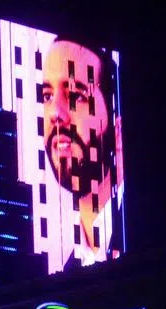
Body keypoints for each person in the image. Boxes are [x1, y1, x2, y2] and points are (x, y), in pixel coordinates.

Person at [39, 37, 124, 271]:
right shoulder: (65, 273)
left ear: (117, 129)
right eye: (47, 96)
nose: (56, 113)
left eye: (76, 96)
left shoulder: (150, 227)